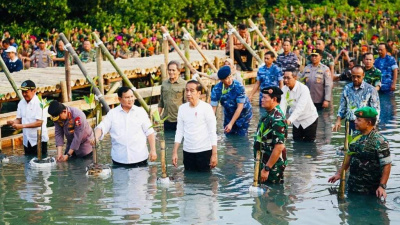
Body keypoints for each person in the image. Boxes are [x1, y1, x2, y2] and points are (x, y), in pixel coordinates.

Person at [328, 107, 391, 199]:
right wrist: (339, 173)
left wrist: (382, 186)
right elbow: (349, 156)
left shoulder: (380, 141)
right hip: (353, 185)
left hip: (371, 190)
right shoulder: (355, 135)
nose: (355, 121)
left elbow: (387, 165)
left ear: (368, 123)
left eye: (359, 119)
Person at [93, 87, 157, 167]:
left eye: (131, 96)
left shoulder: (140, 112)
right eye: (127, 97)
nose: (130, 99)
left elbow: (150, 132)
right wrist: (95, 137)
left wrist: (153, 150)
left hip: (140, 159)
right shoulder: (112, 114)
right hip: (119, 160)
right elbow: (101, 127)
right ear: (119, 99)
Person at [172, 80, 218, 172]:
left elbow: (212, 132)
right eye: (187, 90)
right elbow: (179, 131)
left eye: (192, 91)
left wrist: (214, 154)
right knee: (188, 179)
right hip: (188, 151)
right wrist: (175, 152)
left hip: (204, 150)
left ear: (199, 93)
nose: (188, 93)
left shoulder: (206, 108)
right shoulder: (182, 108)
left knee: (205, 180)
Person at [254, 87, 288, 184]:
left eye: (265, 98)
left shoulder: (277, 119)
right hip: (264, 161)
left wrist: (267, 168)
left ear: (274, 100)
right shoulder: (268, 114)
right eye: (262, 97)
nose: (262, 100)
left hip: (272, 166)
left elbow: (279, 146)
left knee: (273, 195)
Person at [6, 80, 49, 155]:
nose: (24, 94)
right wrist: (13, 122)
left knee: (40, 164)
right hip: (27, 140)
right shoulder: (21, 103)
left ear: (34, 91)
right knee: (28, 164)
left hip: (39, 139)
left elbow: (39, 123)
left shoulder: (40, 103)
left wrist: (22, 126)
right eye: (23, 92)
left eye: (26, 92)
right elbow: (19, 119)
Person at [333, 66, 380, 133]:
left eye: (358, 76)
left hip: (365, 125)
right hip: (350, 123)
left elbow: (376, 110)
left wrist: (374, 125)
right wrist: (338, 120)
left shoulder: (371, 89)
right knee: (349, 143)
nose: (355, 79)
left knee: (365, 143)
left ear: (363, 75)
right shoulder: (347, 88)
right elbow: (342, 106)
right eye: (353, 76)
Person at [210, 66, 253, 136]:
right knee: (228, 134)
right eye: (226, 79)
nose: (229, 80)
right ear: (221, 80)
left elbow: (240, 107)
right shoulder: (217, 89)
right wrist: (210, 123)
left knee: (241, 135)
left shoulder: (239, 86)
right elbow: (213, 108)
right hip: (229, 112)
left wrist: (231, 123)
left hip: (243, 114)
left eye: (230, 76)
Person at [280, 68, 319, 142]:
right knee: (296, 142)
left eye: (288, 78)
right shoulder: (284, 89)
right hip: (296, 121)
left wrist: (289, 121)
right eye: (284, 78)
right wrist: (281, 120)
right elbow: (283, 106)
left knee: (309, 144)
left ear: (295, 77)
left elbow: (300, 108)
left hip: (309, 119)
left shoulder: (303, 89)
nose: (285, 80)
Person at [158, 60, 186, 130]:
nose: (171, 72)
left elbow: (187, 103)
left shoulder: (184, 84)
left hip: (179, 120)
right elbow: (161, 102)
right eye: (169, 70)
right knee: (168, 139)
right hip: (166, 120)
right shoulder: (164, 84)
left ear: (179, 71)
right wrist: (157, 117)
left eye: (173, 70)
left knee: (179, 140)